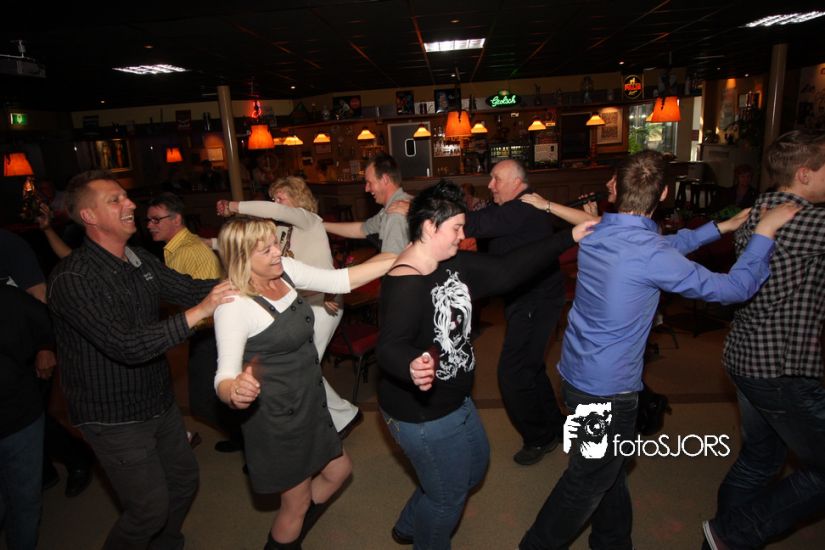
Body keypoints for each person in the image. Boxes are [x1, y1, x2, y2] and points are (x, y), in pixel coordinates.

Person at [517, 151, 800, 550]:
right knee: (588, 479)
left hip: (577, 376)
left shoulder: (597, 231)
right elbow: (734, 288)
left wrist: (720, 227)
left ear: (616, 189)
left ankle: (613, 543)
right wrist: (764, 232)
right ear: (664, 193)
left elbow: (665, 244)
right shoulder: (649, 252)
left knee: (609, 469)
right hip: (606, 392)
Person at [377, 180, 593, 549]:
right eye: (456, 228)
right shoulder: (406, 281)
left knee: (474, 467)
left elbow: (508, 269)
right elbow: (389, 346)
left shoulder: (451, 262)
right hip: (421, 414)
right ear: (429, 227)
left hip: (456, 399)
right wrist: (411, 365)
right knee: (447, 498)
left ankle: (409, 523)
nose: (463, 236)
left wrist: (569, 236)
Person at [48, 170, 237, 550]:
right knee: (148, 509)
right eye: (115, 200)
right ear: (88, 216)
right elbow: (126, 345)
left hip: (157, 400)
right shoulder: (73, 279)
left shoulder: (138, 260)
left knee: (183, 480)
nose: (130, 204)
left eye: (126, 196)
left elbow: (188, 288)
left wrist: (250, 282)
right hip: (111, 415)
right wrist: (202, 310)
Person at [213, 216, 395, 549]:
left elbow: (341, 279)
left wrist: (406, 255)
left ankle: (293, 533)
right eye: (265, 249)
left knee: (339, 471)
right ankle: (286, 538)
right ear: (241, 257)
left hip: (310, 404)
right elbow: (224, 376)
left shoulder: (284, 271)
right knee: (294, 504)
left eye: (275, 243)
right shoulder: (234, 305)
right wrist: (233, 391)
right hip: (278, 420)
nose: (277, 252)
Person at [703, 130, 825, 550]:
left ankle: (721, 539)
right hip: (780, 367)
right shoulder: (804, 219)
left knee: (760, 460)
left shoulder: (761, 206)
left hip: (747, 355)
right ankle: (730, 534)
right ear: (804, 174)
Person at [216, 175, 362, 436]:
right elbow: (250, 247)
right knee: (304, 363)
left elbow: (277, 212)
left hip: (325, 300)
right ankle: (343, 414)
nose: (275, 202)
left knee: (305, 364)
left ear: (297, 196)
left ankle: (337, 417)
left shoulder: (308, 219)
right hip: (300, 300)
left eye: (280, 197)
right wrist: (210, 243)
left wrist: (234, 206)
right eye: (273, 197)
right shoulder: (281, 231)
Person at [462, 159, 568, 465]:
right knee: (531, 366)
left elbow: (475, 224)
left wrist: (426, 212)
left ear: (516, 182)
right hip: (532, 297)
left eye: (496, 179)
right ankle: (556, 425)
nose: (490, 185)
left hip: (536, 300)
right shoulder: (516, 207)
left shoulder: (522, 208)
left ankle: (540, 436)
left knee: (513, 373)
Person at [146, 192, 243, 452]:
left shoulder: (192, 251)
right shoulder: (177, 249)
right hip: (201, 331)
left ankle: (249, 441)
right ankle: (243, 439)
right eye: (148, 220)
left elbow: (212, 297)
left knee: (206, 399)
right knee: (213, 396)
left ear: (176, 219)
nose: (150, 225)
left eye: (156, 219)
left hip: (211, 332)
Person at [0, 285, 53, 550]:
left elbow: (45, 318)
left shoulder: (7, 297)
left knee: (25, 502)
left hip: (20, 418)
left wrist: (46, 346)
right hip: (21, 416)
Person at [324, 153, 411, 253]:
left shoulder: (395, 213)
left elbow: (390, 258)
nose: (366, 189)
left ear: (385, 180)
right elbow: (361, 229)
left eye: (369, 182)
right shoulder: (391, 208)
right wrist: (322, 226)